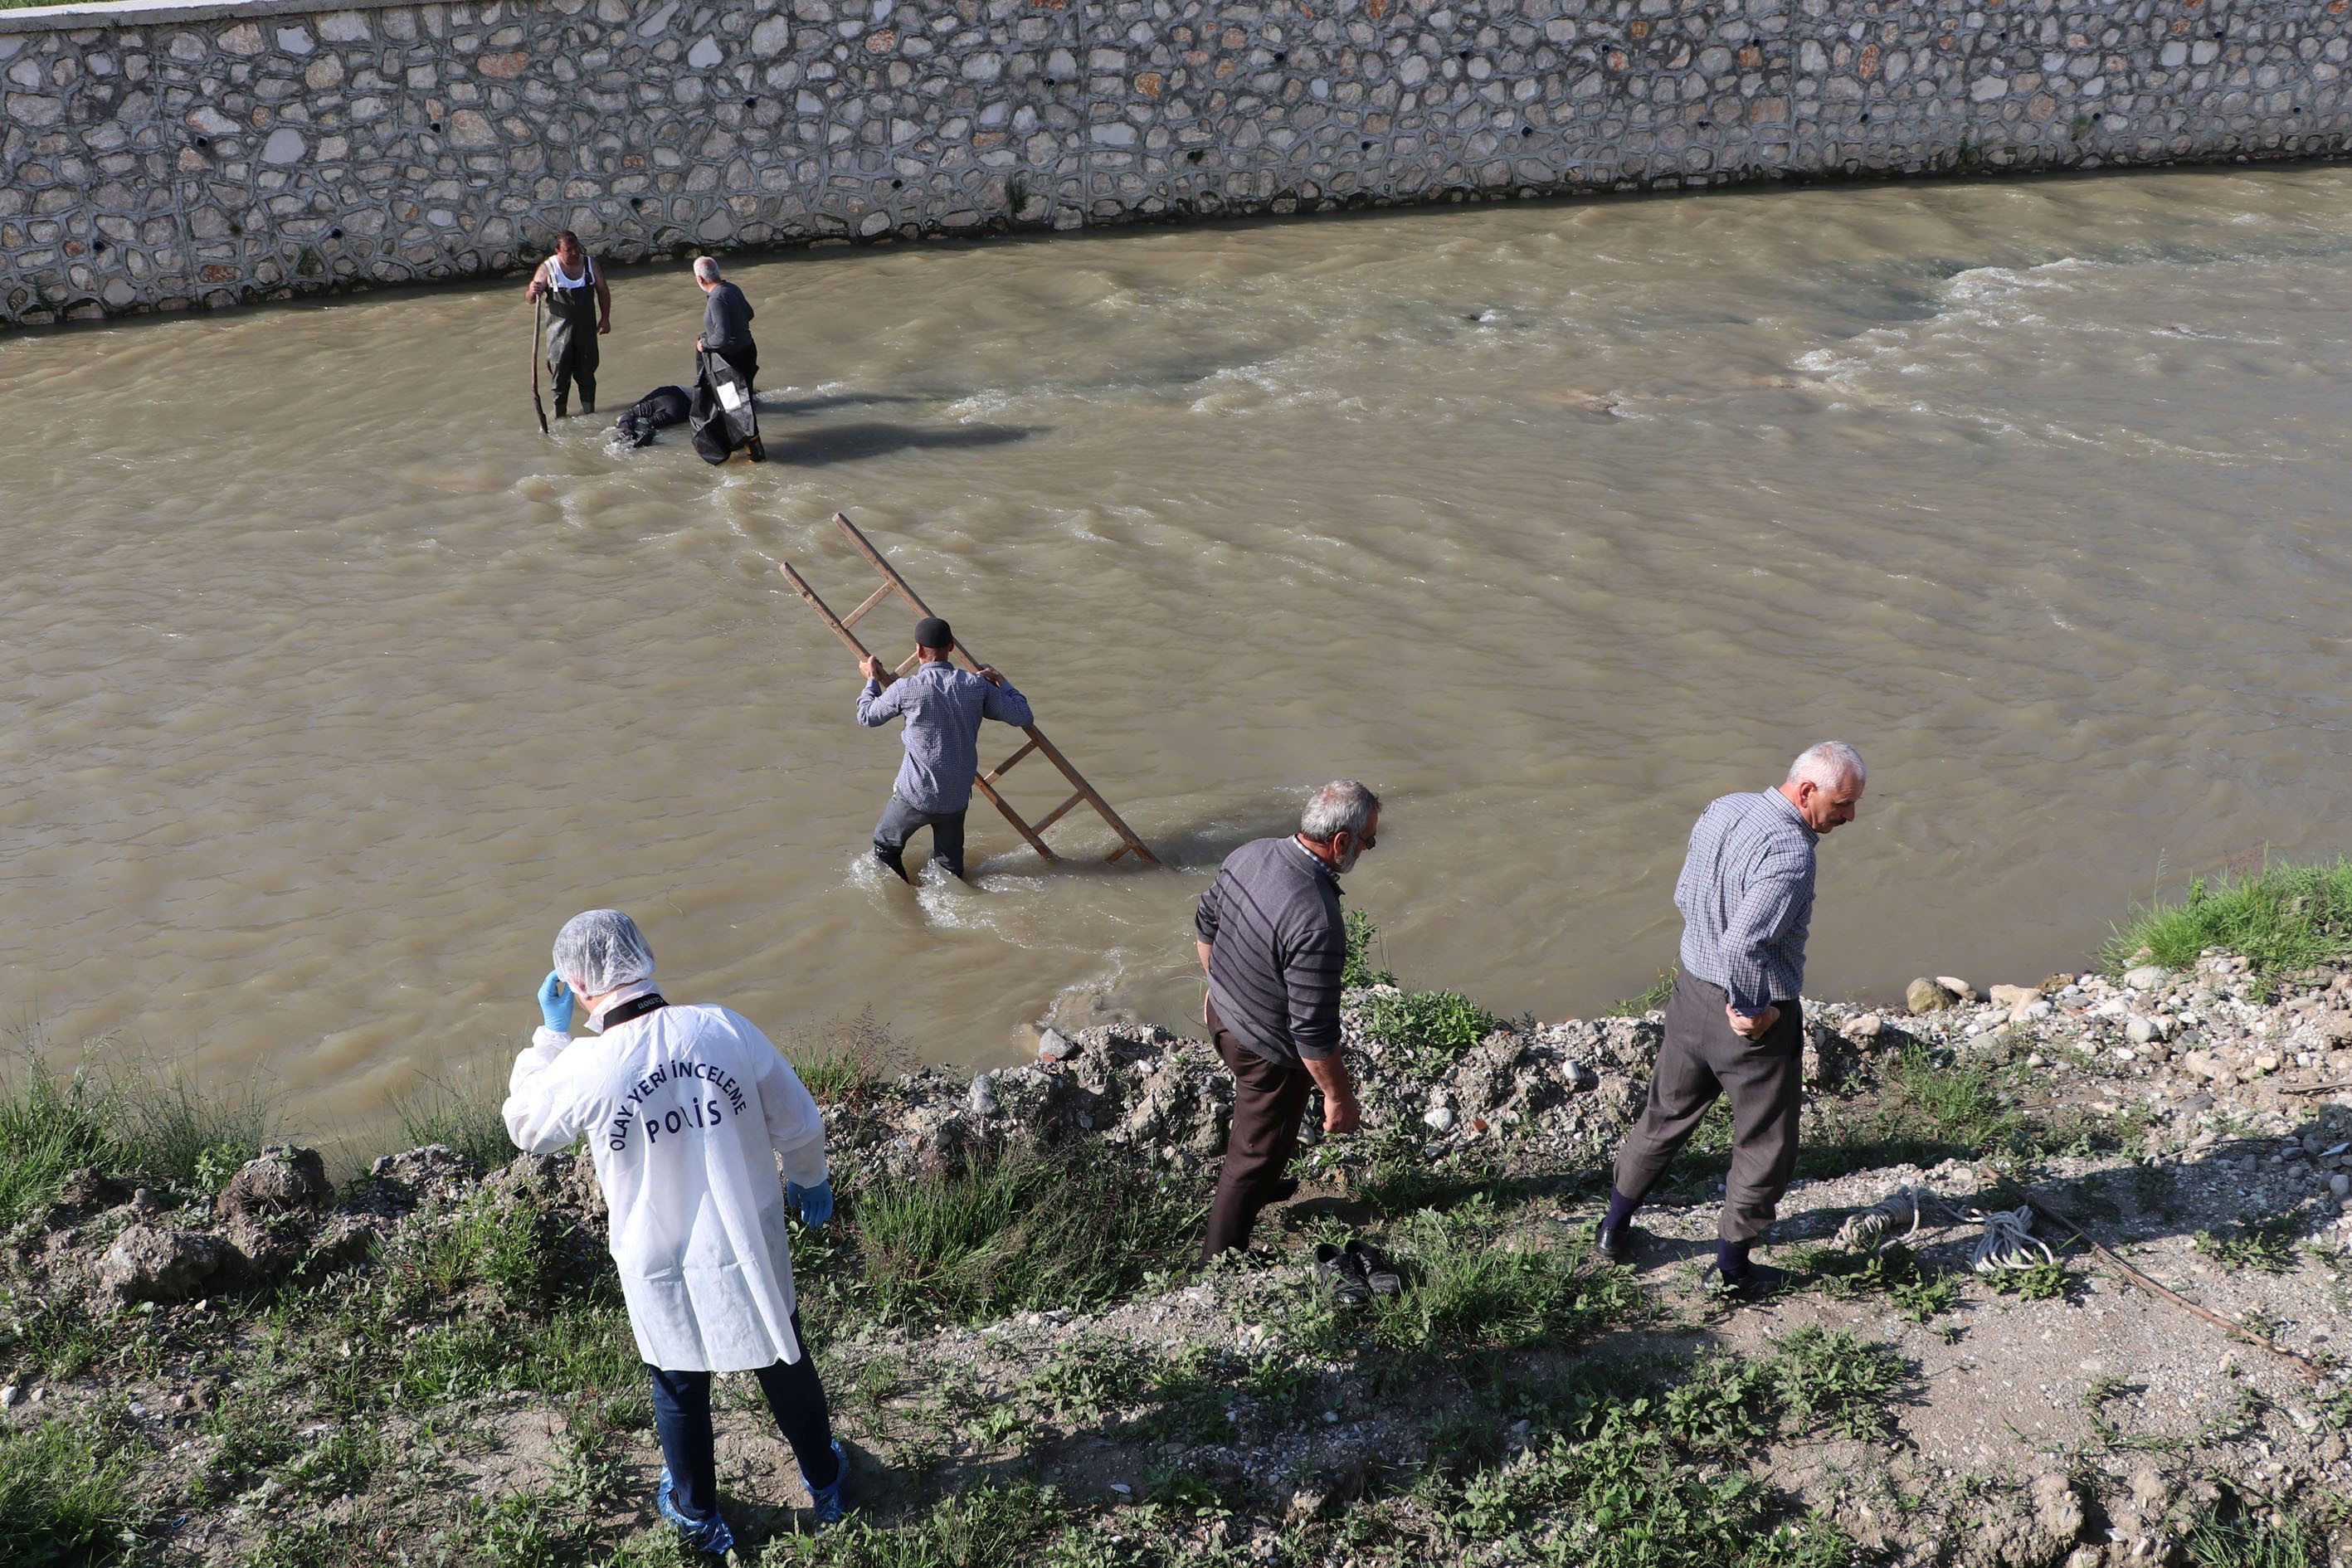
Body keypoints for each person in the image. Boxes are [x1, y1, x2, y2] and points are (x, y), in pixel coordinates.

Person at [502, 909, 850, 1551]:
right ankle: (827, 1484)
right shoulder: (721, 1028)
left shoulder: (585, 1065)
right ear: (645, 956)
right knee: (784, 1355)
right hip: (745, 1234)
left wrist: (548, 1039)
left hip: (656, 1251)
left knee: (678, 1381)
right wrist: (809, 1176)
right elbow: (798, 1121)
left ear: (576, 986)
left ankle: (697, 1516)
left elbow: (526, 1128)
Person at [1597, 742, 1868, 1296]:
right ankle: (1731, 1270)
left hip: (1689, 995)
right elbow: (1744, 946)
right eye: (1841, 803)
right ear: (1807, 790)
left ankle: (1611, 1231)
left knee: (1662, 1117)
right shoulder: (1792, 852)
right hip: (1748, 1017)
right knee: (1764, 1143)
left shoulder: (1722, 807)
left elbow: (1683, 893)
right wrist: (1752, 1011)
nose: (1848, 817)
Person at [1194, 780, 1380, 1259]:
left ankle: (1260, 1186)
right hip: (1264, 1051)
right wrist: (1339, 1098)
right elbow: (1313, 1034)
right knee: (1250, 1157)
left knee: (1269, 1133)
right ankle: (1220, 1262)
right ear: (1341, 842)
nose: (1368, 849)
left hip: (1219, 1016)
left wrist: (1222, 991)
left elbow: (1205, 925)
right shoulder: (1316, 916)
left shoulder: (1250, 854)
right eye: (1368, 841)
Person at [854, 617, 1032, 882]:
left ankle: (908, 898)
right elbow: (1022, 716)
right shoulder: (976, 687)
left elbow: (867, 716)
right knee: (949, 869)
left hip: (916, 794)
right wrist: (1001, 681)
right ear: (950, 646)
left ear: (918, 650)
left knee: (885, 846)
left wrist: (871, 680)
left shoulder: (907, 688)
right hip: (955, 798)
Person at [523, 230, 611, 417]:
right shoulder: (549, 268)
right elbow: (531, 299)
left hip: (586, 333)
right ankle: (559, 418)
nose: (573, 253)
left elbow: (603, 291)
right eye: (568, 250)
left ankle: (590, 415)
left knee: (587, 376)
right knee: (560, 380)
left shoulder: (590, 265)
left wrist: (605, 318)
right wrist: (532, 290)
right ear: (558, 251)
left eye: (576, 248)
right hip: (559, 337)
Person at [693, 256, 757, 387]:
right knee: (747, 400)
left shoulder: (716, 298)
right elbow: (749, 314)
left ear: (700, 279)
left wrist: (703, 344)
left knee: (732, 405)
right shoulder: (732, 288)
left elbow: (721, 337)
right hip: (749, 350)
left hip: (733, 360)